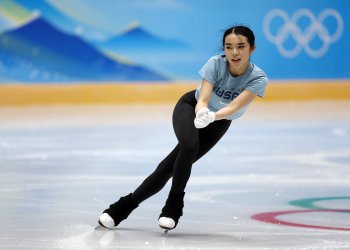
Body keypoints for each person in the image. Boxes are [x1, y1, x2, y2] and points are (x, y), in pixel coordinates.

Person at [98, 25, 268, 231]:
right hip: (190, 107)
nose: (234, 52)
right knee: (189, 146)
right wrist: (203, 111)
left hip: (219, 122)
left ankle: (121, 208)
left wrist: (213, 116)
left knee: (168, 168)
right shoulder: (215, 64)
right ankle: (174, 205)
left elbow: (234, 106)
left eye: (241, 46)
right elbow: (203, 97)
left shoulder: (258, 78)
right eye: (229, 46)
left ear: (252, 49)